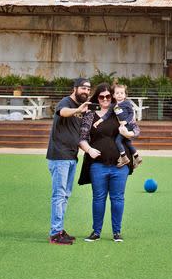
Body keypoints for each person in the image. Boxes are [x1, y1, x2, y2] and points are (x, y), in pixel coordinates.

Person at [78, 83, 131, 242]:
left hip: (120, 165)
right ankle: (96, 232)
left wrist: (127, 133)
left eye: (108, 96)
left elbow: (133, 131)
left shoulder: (119, 112)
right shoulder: (90, 115)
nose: (105, 99)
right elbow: (82, 138)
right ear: (97, 98)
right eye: (102, 96)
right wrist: (89, 150)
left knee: (118, 199)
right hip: (98, 165)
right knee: (98, 198)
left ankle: (117, 232)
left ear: (113, 96)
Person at [45, 77, 92, 244]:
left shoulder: (82, 108)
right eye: (83, 88)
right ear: (75, 88)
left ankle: (59, 229)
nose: (86, 91)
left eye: (88, 89)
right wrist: (77, 109)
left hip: (71, 156)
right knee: (59, 195)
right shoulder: (66, 102)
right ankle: (55, 233)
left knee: (65, 195)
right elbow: (62, 112)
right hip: (59, 157)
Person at [111, 82, 142, 170]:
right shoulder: (114, 105)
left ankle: (124, 157)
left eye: (122, 93)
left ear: (125, 95)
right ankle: (136, 156)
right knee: (127, 142)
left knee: (118, 141)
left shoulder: (126, 103)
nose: (119, 95)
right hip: (124, 126)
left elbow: (132, 113)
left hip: (126, 126)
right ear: (113, 95)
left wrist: (126, 122)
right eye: (117, 93)